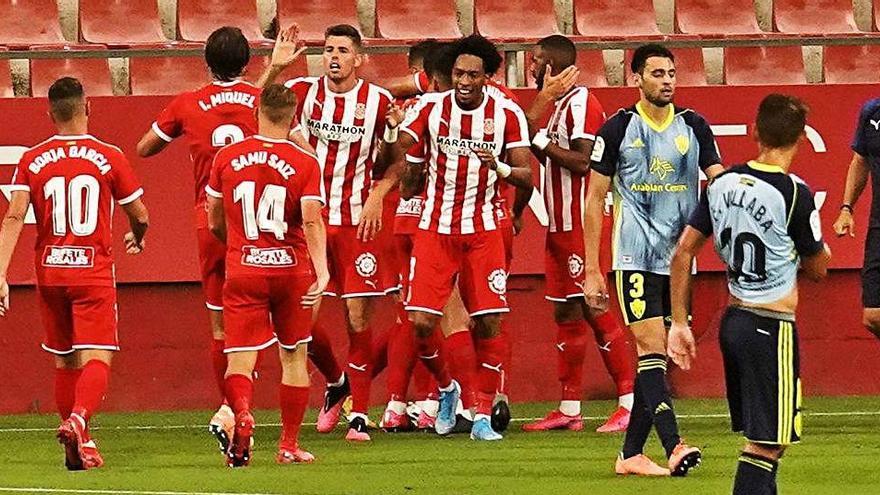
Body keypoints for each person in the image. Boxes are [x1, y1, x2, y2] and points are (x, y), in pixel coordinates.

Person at [363, 34, 533, 441]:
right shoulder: (428, 109)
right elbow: (401, 168)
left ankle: (480, 414)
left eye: (474, 75)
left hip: (484, 229)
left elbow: (526, 174)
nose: (465, 81)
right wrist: (398, 146)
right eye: (459, 74)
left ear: (488, 77)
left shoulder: (507, 113)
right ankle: (447, 389)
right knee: (422, 322)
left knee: (489, 321)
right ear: (449, 75)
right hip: (435, 228)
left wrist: (503, 175)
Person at [668, 94, 831, 494]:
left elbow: (683, 251)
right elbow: (817, 270)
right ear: (801, 139)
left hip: (735, 320)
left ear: (754, 131)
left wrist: (678, 322)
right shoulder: (794, 192)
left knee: (763, 439)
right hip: (771, 327)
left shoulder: (722, 183)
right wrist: (815, 251)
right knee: (767, 444)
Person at [581, 43, 724, 476]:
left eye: (671, 74)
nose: (666, 81)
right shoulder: (617, 129)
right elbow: (594, 199)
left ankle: (630, 455)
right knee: (651, 349)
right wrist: (592, 268)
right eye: (657, 73)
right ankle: (674, 445)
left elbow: (717, 185)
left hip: (680, 263)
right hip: (634, 257)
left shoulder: (694, 126)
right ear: (636, 79)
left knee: (657, 359)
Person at [0, 77, 149, 470]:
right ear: (89, 108)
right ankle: (80, 420)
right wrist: (138, 234)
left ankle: (86, 443)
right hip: (93, 273)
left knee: (65, 361)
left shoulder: (32, 159)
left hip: (49, 273)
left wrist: (0, 273)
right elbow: (139, 212)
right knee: (97, 356)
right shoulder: (109, 155)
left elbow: (14, 215)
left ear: (49, 114)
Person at [261, 24, 399, 442]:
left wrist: (379, 193)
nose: (333, 56)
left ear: (359, 58)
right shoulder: (303, 92)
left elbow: (398, 160)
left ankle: (359, 413)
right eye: (327, 49)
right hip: (307, 220)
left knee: (357, 315)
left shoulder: (379, 102)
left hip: (357, 221)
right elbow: (260, 109)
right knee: (300, 317)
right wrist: (274, 68)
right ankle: (336, 381)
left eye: (342, 50)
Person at [136, 26, 265, 449]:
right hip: (255, 224)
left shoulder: (187, 103)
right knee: (262, 316)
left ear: (205, 63)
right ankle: (240, 410)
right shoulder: (260, 100)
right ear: (247, 63)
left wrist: (183, 131)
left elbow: (144, 148)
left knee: (219, 325)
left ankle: (229, 407)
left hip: (208, 222)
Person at [206, 84, 329, 467]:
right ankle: (288, 444)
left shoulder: (227, 156)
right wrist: (322, 270)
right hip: (290, 269)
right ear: (293, 117)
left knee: (239, 359)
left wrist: (239, 244)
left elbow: (213, 218)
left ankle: (241, 413)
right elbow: (310, 218)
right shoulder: (306, 161)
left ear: (257, 111)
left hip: (243, 267)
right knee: (294, 356)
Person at [523, 34, 636, 434]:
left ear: (552, 65)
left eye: (536, 61)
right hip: (558, 223)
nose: (531, 67)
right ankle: (570, 406)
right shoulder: (555, 107)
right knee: (566, 311)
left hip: (582, 223)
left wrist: (539, 143)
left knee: (595, 305)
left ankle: (629, 402)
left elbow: (585, 161)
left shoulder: (581, 103)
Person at [832, 95, 880, 339]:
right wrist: (846, 208)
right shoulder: (872, 111)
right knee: (873, 315)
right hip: (878, 226)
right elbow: (860, 161)